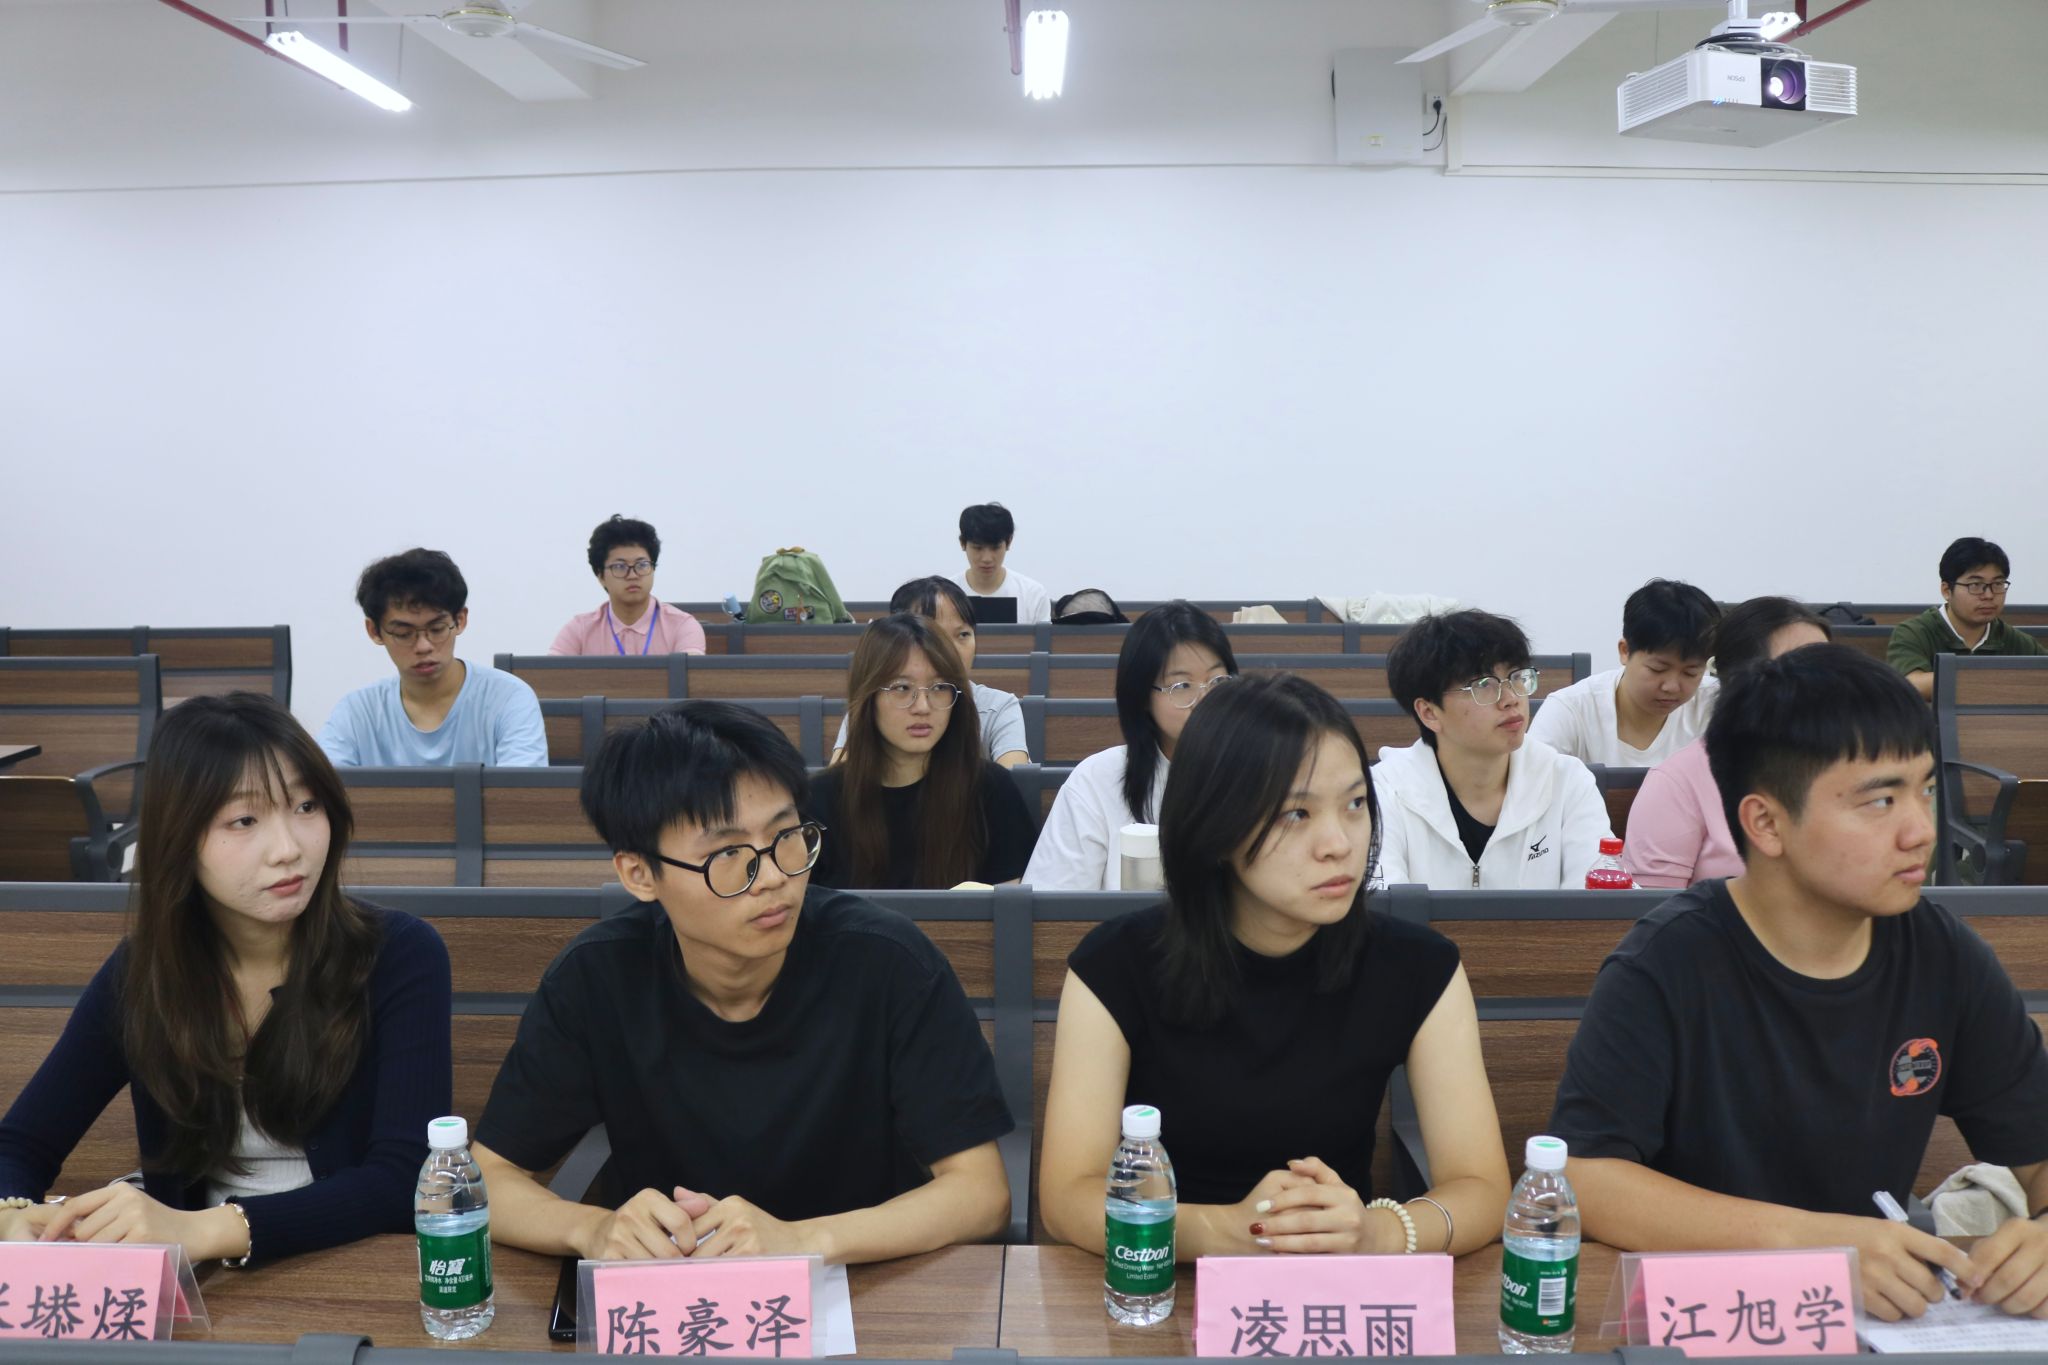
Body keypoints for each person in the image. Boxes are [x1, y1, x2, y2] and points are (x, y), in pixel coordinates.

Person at [1548, 646, 2048, 1321]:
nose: (1920, 830)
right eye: (1881, 800)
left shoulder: (1943, 955)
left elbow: (2036, 1150)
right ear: (1766, 822)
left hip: (1874, 1319)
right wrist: (1815, 1246)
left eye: (1926, 790)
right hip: (1701, 1316)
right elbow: (1586, 1178)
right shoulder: (1666, 963)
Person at [471, 701, 1013, 1264]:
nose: (774, 876)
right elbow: (487, 1181)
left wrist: (803, 1242)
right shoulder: (596, 978)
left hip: (862, 1283)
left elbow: (981, 1193)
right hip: (674, 1292)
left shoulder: (890, 963)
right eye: (728, 853)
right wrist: (593, 1229)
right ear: (640, 874)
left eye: (787, 835)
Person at [1038, 673, 1510, 1258]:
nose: (1339, 843)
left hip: (1333, 1284)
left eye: (1355, 804)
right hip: (1161, 1279)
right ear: (1215, 827)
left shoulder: (1418, 967)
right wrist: (1224, 1232)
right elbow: (1068, 1197)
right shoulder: (1115, 965)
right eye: (1295, 814)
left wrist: (1378, 1232)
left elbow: (1482, 1188)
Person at [0, 693, 453, 1264]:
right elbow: (22, 1143)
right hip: (201, 1285)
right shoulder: (143, 974)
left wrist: (204, 1230)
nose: (288, 849)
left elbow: (403, 1178)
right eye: (244, 820)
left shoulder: (399, 954)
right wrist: (12, 1214)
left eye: (307, 806)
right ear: (180, 840)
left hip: (349, 1267)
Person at [1374, 610, 1611, 889]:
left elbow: (1598, 903)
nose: (1511, 699)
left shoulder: (1567, 781)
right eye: (1484, 685)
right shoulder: (1384, 792)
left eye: (1517, 677)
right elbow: (1383, 904)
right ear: (1429, 713)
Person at [803, 614, 1037, 889]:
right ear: (868, 696)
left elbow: (1012, 907)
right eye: (902, 688)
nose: (923, 706)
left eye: (939, 688)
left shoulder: (992, 790)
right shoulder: (817, 801)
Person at [1024, 603, 1239, 890]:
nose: (1206, 701)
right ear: (1142, 697)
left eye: (1217, 681)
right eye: (1182, 686)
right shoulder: (1097, 780)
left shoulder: (1261, 772)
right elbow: (1055, 906)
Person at [1623, 598, 1831, 889]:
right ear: (1739, 679)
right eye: (1802, 668)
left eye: (1830, 666)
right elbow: (1654, 911)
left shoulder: (1859, 768)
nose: (1827, 682)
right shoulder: (1679, 783)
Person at [319, 548, 547, 767]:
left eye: (437, 629)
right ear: (374, 631)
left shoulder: (509, 699)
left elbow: (521, 791)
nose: (423, 646)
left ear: (460, 620)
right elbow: (320, 787)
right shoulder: (356, 712)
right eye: (404, 634)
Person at [832, 577, 1029, 767]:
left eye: (963, 634)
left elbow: (1014, 779)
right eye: (935, 636)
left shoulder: (997, 707)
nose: (951, 649)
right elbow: (843, 780)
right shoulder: (875, 703)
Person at [1528, 579, 1721, 767]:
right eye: (1658, 669)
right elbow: (1531, 780)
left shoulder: (1715, 704)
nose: (1671, 687)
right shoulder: (1571, 710)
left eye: (1690, 673)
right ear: (1625, 651)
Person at [1888, 536, 2043, 701]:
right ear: (1947, 590)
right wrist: (2000, 681)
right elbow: (1912, 684)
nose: (1989, 595)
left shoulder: (2015, 640)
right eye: (1975, 585)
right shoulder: (1914, 632)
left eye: (1997, 584)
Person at [549, 515, 707, 657]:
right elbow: (551, 675)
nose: (632, 575)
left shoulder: (682, 626)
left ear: (653, 568)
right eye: (620, 567)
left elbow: (691, 676)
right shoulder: (579, 630)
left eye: (642, 565)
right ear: (601, 576)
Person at [958, 502, 1052, 624]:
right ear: (962, 543)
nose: (987, 558)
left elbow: (1044, 636)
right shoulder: (944, 595)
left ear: (1009, 542)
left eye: (995, 548)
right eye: (978, 548)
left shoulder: (1033, 595)